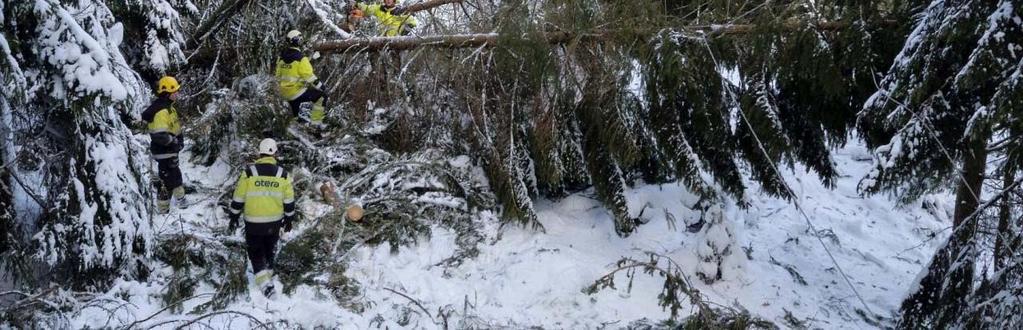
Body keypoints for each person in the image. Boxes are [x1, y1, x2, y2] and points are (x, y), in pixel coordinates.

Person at [227, 138, 296, 296]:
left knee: (256, 251)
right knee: (269, 248)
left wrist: (233, 216)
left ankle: (265, 284)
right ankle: (268, 273)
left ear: (260, 153)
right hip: (274, 222)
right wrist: (289, 219)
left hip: (253, 222)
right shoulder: (283, 175)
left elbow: (239, 197)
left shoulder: (249, 173)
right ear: (275, 153)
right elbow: (289, 201)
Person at [142, 76, 187, 214]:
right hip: (165, 152)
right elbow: (159, 136)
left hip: (170, 151)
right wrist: (174, 143)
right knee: (166, 182)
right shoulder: (161, 111)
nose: (177, 94)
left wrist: (179, 142)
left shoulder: (169, 108)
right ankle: (163, 210)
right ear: (167, 93)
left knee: (175, 174)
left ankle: (181, 199)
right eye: (175, 92)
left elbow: (174, 129)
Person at [275, 30, 326, 127]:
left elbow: (277, 76)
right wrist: (321, 86)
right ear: (299, 41)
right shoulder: (301, 59)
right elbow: (309, 77)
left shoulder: (281, 58)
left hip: (282, 93)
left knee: (296, 114)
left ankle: (298, 124)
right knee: (322, 96)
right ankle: (316, 123)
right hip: (296, 93)